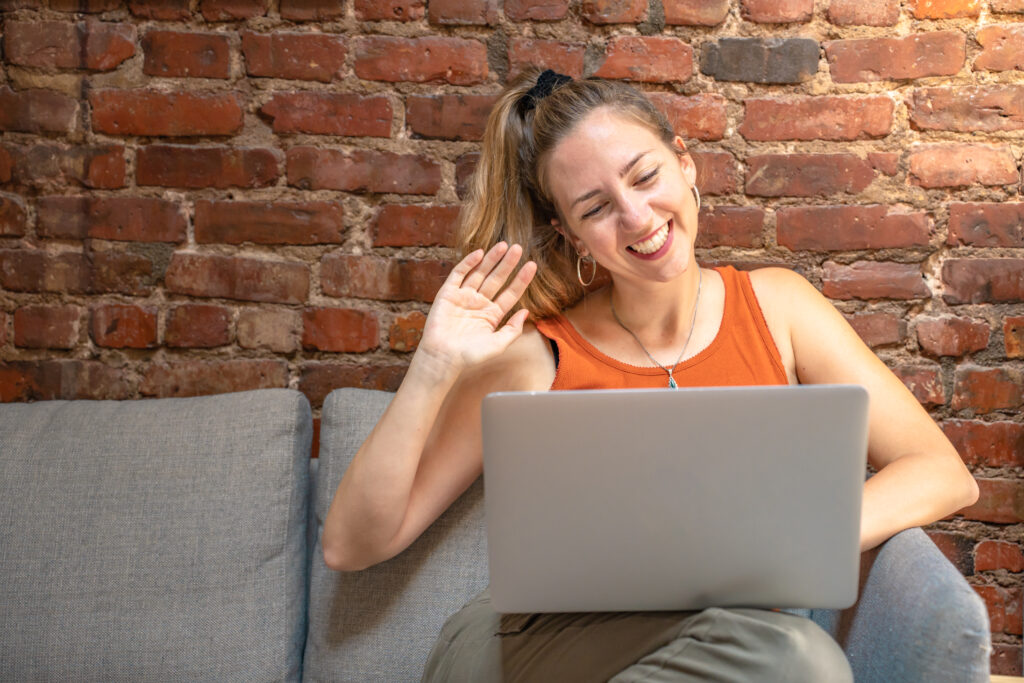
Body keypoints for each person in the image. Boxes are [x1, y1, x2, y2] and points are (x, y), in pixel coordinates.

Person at [321, 68, 979, 681]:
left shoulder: (779, 307)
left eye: (643, 176)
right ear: (572, 235)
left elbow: (941, 472)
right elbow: (352, 544)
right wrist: (433, 366)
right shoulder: (535, 356)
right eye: (596, 208)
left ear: (684, 162)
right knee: (801, 661)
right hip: (527, 649)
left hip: (725, 649)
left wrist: (782, 541)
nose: (636, 217)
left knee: (792, 656)